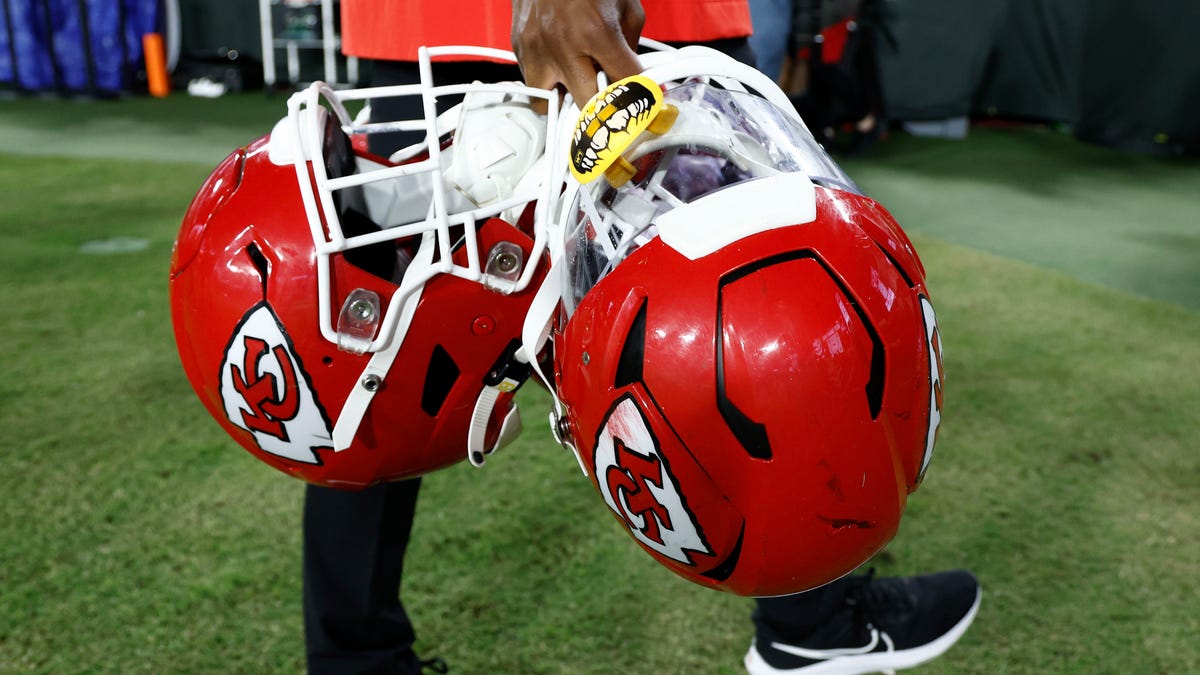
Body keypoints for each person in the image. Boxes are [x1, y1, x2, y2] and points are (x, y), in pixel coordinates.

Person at [301, 2, 980, 674]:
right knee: (384, 349)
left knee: (387, 348)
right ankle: (816, 620)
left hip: (443, 24)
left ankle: (352, 657)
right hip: (617, 29)